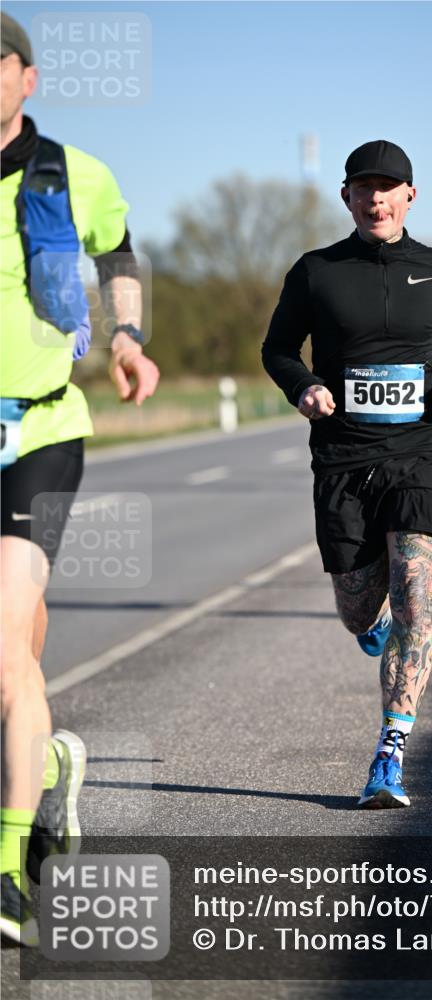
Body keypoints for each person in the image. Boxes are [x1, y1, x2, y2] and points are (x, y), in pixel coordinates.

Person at [262, 139, 432, 809]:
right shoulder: (316, 271)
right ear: (347, 197)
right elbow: (277, 348)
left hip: (419, 453)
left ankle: (388, 756)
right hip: (342, 457)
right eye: (363, 187)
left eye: (388, 186)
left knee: (415, 596)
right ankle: (374, 627)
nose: (375, 197)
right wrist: (303, 386)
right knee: (359, 604)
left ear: (409, 196)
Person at [0, 13, 159, 945]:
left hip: (42, 426)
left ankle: (10, 861)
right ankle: (52, 768)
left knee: (2, 645)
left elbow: (118, 252)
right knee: (17, 653)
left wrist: (128, 336)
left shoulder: (75, 172)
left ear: (28, 77)